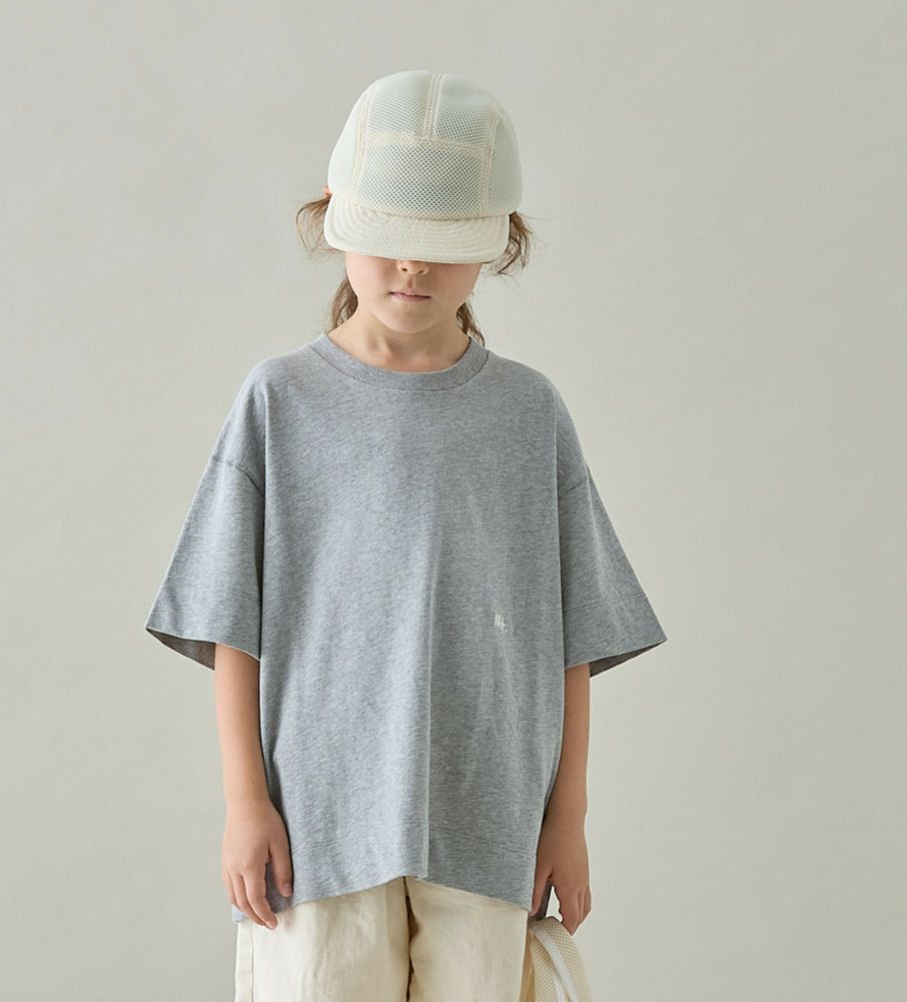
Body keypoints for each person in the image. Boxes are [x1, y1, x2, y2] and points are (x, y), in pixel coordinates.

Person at [143, 69, 668, 1002]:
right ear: (336, 221)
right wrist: (245, 804)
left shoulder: (527, 414)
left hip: (491, 821)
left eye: (440, 245)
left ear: (498, 244)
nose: (410, 269)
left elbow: (572, 639)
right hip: (316, 825)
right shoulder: (279, 403)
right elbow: (230, 626)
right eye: (387, 238)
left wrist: (568, 817)